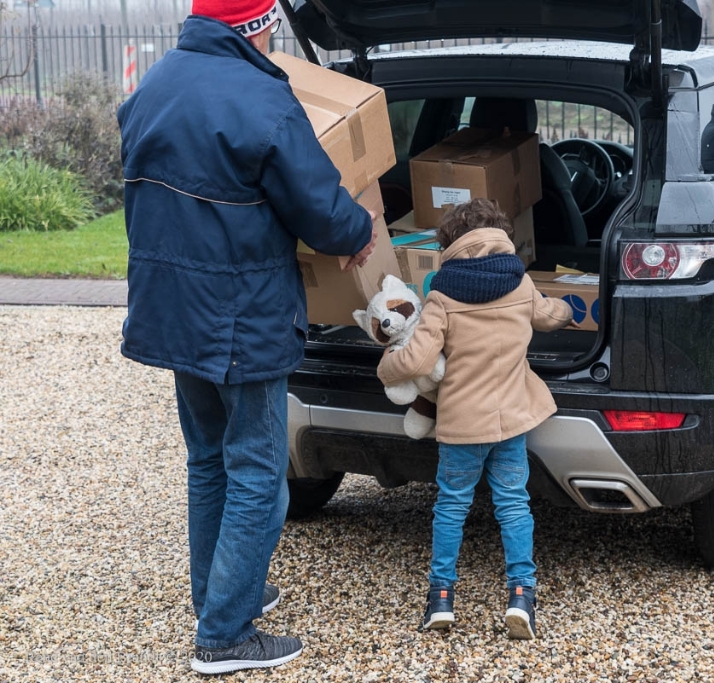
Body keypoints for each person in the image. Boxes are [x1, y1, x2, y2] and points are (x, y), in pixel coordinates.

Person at [117, 0, 376, 674]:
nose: (271, 35)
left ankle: (221, 597)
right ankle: (225, 636)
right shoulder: (263, 97)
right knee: (259, 472)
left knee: (208, 459)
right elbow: (318, 204)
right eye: (268, 24)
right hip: (241, 315)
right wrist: (360, 233)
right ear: (253, 27)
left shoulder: (153, 87)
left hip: (172, 311)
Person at [376, 198, 573, 640]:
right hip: (511, 423)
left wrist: (384, 366)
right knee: (513, 504)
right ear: (499, 233)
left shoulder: (442, 294)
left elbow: (416, 361)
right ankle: (522, 594)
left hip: (463, 426)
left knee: (451, 506)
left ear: (450, 242)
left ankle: (441, 600)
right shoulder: (520, 283)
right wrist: (570, 309)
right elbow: (550, 315)